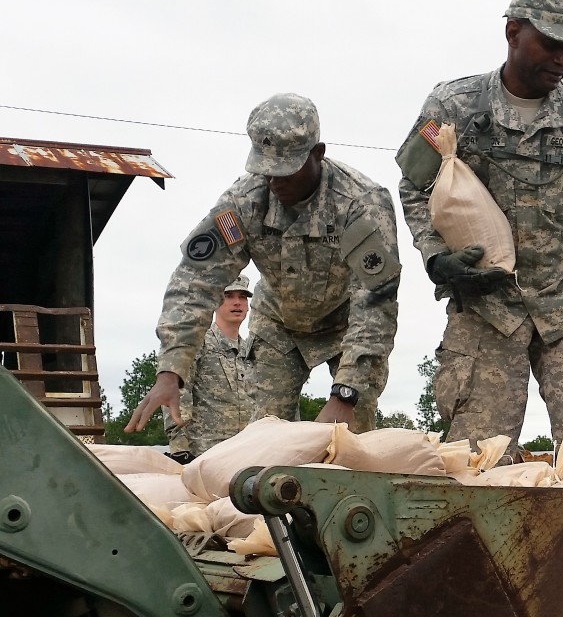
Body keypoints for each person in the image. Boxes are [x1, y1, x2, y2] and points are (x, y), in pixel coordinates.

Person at [397, 0, 563, 456]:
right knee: (474, 464)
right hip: (487, 308)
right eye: (551, 44)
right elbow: (415, 188)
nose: (562, 58)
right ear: (513, 32)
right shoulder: (453, 107)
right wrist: (437, 260)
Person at [126, 92, 400, 438]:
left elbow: (376, 303)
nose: (275, 181)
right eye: (265, 170)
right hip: (278, 323)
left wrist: (346, 392)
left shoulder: (360, 204)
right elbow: (195, 280)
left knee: (350, 438)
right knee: (264, 437)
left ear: (318, 154)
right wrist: (171, 368)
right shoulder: (244, 202)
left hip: (347, 326)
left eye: (286, 171)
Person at [163, 275, 252, 461]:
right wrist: (179, 448)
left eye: (242, 297)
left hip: (247, 453)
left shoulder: (252, 350)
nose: (237, 303)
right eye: (229, 296)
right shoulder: (198, 343)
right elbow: (179, 392)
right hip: (205, 454)